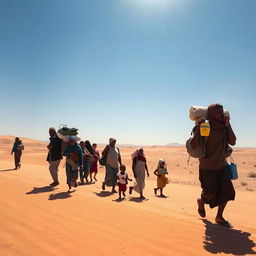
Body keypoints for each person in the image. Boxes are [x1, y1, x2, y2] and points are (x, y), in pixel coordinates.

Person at [190, 103, 236, 228]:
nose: (220, 114)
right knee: (210, 193)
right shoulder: (205, 125)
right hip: (207, 168)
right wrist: (199, 128)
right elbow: (194, 144)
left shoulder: (223, 127)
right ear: (211, 113)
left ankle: (219, 217)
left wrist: (228, 124)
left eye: (222, 112)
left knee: (228, 192)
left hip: (222, 167)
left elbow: (233, 141)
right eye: (218, 112)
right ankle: (201, 201)